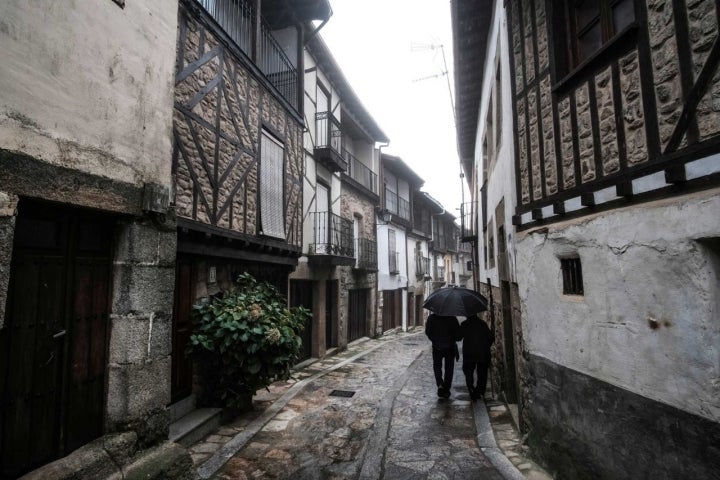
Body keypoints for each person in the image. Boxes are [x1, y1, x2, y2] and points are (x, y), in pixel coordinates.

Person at [425, 313, 461, 398]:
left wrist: (435, 340)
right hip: (450, 347)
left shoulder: (431, 318)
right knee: (449, 368)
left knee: (437, 366)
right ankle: (446, 389)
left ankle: (440, 384)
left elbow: (428, 332)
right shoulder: (452, 318)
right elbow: (458, 335)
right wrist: (452, 339)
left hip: (437, 347)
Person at [459, 314, 495, 401]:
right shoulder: (482, 324)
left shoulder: (464, 324)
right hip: (482, 352)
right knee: (482, 372)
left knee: (468, 371)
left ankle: (471, 388)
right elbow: (490, 337)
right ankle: (480, 391)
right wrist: (486, 346)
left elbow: (458, 337)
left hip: (469, 353)